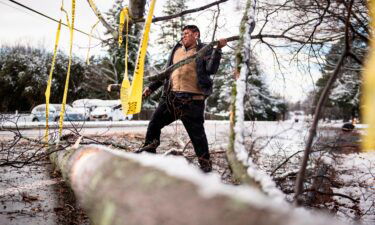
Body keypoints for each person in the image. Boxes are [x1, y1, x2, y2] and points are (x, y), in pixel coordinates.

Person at [135, 25, 227, 172]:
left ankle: (206, 167)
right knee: (154, 124)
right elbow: (166, 73)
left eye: (187, 33)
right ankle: (148, 155)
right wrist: (151, 88)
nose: (183, 36)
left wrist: (218, 50)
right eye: (182, 33)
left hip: (193, 101)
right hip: (171, 99)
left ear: (196, 35)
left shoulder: (204, 49)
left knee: (198, 137)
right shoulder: (176, 50)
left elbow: (211, 69)